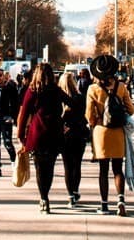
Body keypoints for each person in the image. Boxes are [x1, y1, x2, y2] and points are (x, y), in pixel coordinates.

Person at [86, 53, 134, 217]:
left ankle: (104, 204)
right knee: (117, 169)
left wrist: (96, 119)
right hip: (117, 132)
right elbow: (131, 109)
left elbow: (89, 116)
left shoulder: (93, 89)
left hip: (101, 132)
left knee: (103, 170)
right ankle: (121, 200)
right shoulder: (121, 87)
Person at [16, 62, 68, 214]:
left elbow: (24, 114)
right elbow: (73, 103)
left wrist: (20, 135)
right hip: (54, 133)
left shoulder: (32, 91)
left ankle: (43, 198)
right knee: (50, 167)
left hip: (37, 134)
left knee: (40, 168)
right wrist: (65, 120)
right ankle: (46, 194)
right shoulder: (56, 90)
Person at [59, 71, 89, 207]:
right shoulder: (80, 97)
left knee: (67, 166)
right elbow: (85, 116)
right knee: (77, 164)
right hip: (78, 133)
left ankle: (70, 194)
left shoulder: (58, 100)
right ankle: (75, 190)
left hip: (64, 135)